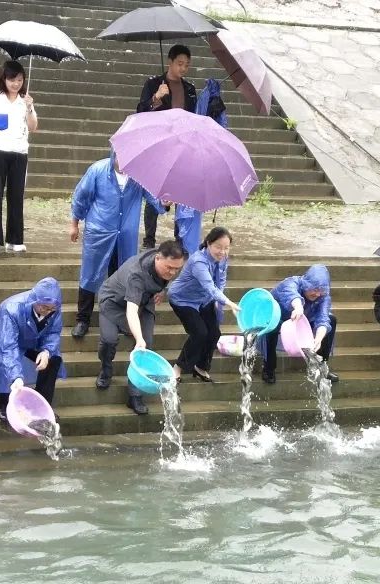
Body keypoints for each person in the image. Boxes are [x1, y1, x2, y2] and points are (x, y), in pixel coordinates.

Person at [69, 148, 166, 339]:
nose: (123, 164)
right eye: (120, 158)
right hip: (99, 231)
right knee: (90, 273)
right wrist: (74, 224)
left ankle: (120, 319)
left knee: (122, 276)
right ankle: (83, 319)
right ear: (113, 155)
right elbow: (81, 198)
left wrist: (165, 202)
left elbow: (156, 201)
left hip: (126, 235)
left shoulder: (139, 176)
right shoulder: (97, 170)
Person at [96, 240, 186, 415]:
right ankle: (106, 369)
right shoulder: (137, 274)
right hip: (114, 301)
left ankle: (135, 394)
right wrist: (138, 338)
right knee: (109, 339)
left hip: (144, 303)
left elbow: (172, 272)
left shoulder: (163, 258)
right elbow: (131, 311)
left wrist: (162, 290)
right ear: (158, 258)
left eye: (177, 269)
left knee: (147, 344)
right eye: (169, 268)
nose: (173, 272)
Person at [0, 277, 64, 423]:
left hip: (30, 338)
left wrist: (46, 351)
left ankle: (43, 405)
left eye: (51, 309)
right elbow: (8, 345)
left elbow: (53, 332)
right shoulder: (13, 308)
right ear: (35, 300)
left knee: (54, 359)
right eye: (44, 307)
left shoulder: (54, 310)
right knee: (2, 355)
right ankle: (4, 403)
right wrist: (16, 376)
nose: (47, 312)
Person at [137, 44, 196, 249]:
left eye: (186, 65)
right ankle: (149, 239)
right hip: (159, 143)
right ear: (170, 62)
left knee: (181, 191)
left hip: (182, 144)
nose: (183, 68)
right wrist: (157, 97)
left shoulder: (189, 89)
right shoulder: (154, 83)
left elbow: (193, 116)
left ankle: (180, 238)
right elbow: (140, 111)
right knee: (155, 189)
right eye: (179, 63)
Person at [0, 59, 38, 253]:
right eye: (12, 79)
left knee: (16, 196)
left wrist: (29, 107)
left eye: (19, 79)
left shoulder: (25, 100)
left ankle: (15, 239)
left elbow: (33, 127)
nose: (16, 83)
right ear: (4, 79)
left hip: (19, 153)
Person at [168, 227, 241, 382]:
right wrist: (227, 302)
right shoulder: (198, 261)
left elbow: (220, 281)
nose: (222, 252)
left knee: (214, 333)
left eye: (226, 248)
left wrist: (217, 300)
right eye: (218, 247)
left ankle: (201, 367)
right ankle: (178, 368)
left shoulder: (223, 258)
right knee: (199, 333)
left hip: (205, 299)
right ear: (208, 243)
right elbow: (209, 285)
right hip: (183, 299)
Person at [262, 264, 339, 385]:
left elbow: (323, 318)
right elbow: (292, 295)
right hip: (279, 317)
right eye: (315, 289)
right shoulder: (291, 283)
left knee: (331, 319)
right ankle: (268, 368)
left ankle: (321, 367)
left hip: (304, 319)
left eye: (321, 290)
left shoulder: (323, 297)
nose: (317, 294)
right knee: (273, 327)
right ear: (307, 284)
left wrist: (318, 338)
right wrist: (298, 307)